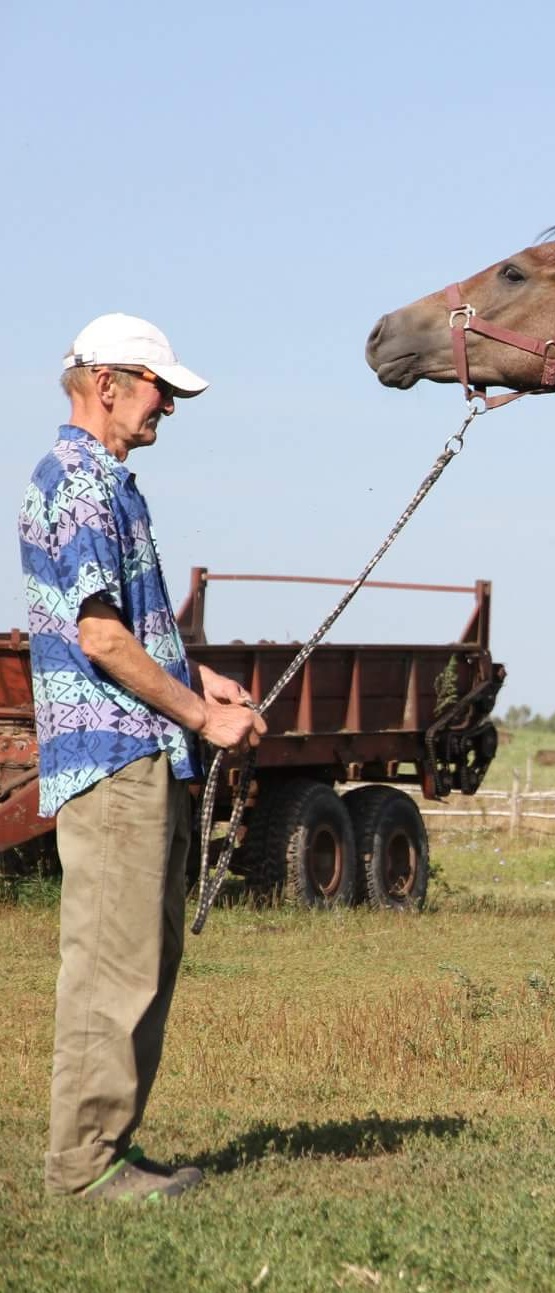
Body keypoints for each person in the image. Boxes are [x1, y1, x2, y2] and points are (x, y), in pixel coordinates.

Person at [20, 313, 266, 1201]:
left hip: (139, 752)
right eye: (161, 387)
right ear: (108, 382)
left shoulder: (110, 484)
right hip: (115, 758)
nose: (169, 405)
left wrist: (204, 679)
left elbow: (128, 631)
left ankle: (108, 1150)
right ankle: (83, 1167)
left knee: (141, 960)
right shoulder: (81, 486)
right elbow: (99, 637)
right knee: (111, 965)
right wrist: (203, 715)